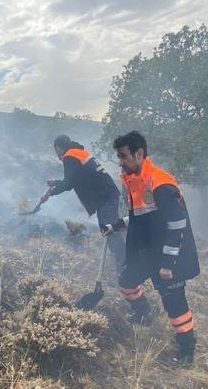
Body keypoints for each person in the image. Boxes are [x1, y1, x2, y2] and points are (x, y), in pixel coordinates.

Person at [103, 131, 199, 364]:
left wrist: (167, 263)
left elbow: (177, 225)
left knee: (174, 303)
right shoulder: (134, 180)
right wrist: (116, 225)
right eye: (118, 156)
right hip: (145, 251)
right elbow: (140, 217)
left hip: (168, 255)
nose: (120, 161)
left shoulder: (160, 183)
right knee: (126, 280)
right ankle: (143, 311)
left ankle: (186, 351)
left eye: (123, 156)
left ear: (139, 153)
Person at [40, 134, 126, 282]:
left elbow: (68, 185)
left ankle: (124, 270)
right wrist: (57, 182)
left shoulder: (69, 156)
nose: (56, 153)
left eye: (55, 149)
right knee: (107, 229)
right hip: (106, 195)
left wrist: (50, 194)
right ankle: (122, 267)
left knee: (109, 229)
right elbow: (75, 179)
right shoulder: (77, 152)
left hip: (105, 196)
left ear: (58, 148)